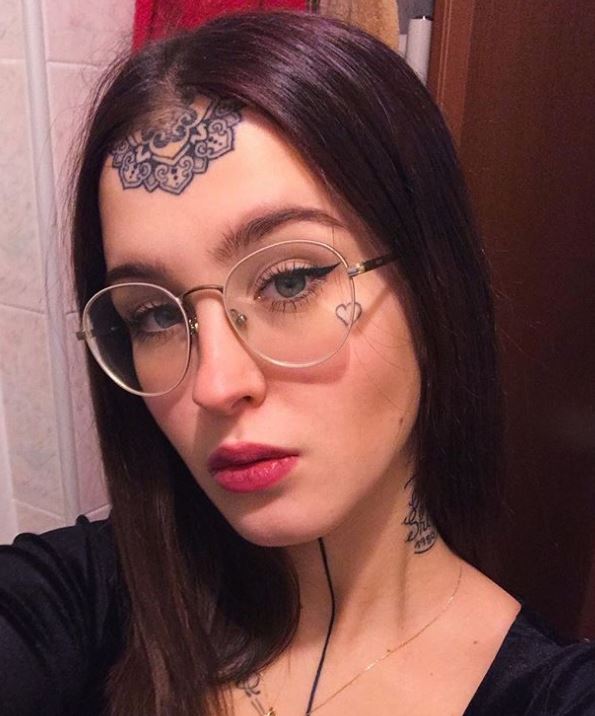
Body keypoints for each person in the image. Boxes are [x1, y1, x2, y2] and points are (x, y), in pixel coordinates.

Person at [1, 10, 593, 716]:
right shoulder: (84, 600)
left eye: (289, 281)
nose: (216, 384)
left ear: (435, 287)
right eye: (154, 315)